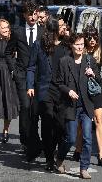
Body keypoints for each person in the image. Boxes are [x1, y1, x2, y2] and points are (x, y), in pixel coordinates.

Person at [27, 17, 70, 171]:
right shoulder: (39, 46)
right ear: (53, 30)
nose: (64, 27)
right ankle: (49, 159)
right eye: (62, 26)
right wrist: (30, 85)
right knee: (46, 124)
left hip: (62, 91)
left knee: (60, 125)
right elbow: (31, 66)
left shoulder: (67, 46)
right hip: (45, 90)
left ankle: (55, 151)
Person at [55, 33, 101, 179]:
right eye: (77, 44)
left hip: (86, 106)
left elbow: (99, 80)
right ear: (71, 46)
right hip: (70, 106)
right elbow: (58, 83)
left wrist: (93, 74)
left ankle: (84, 168)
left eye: (82, 44)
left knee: (87, 138)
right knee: (70, 138)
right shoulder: (64, 61)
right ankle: (60, 158)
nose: (80, 47)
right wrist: (68, 91)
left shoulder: (90, 60)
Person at [5, 1, 44, 161]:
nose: (33, 17)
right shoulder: (18, 32)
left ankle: (32, 140)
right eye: (30, 14)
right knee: (25, 107)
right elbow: (8, 52)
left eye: (35, 14)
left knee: (35, 110)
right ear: (24, 15)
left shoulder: (43, 32)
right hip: (21, 75)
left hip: (38, 77)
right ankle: (26, 139)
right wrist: (14, 69)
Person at [73, 25, 102, 167]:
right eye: (89, 37)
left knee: (99, 120)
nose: (92, 40)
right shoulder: (80, 50)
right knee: (81, 121)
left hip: (97, 90)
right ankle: (78, 149)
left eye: (95, 37)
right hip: (82, 90)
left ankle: (101, 155)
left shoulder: (100, 51)